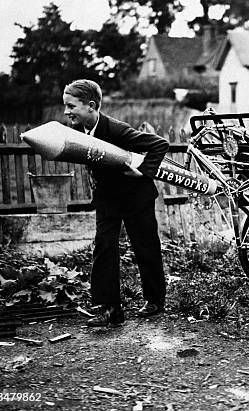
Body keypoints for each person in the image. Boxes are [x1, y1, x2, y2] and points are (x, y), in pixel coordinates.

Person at [62, 80, 170, 327]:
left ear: (90, 106)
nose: (67, 112)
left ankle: (155, 300)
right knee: (104, 247)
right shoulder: (79, 131)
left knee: (145, 247)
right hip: (108, 198)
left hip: (135, 196)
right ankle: (110, 309)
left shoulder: (116, 130)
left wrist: (144, 171)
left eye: (71, 106)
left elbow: (159, 144)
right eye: (65, 106)